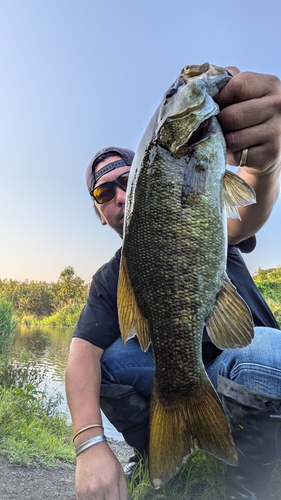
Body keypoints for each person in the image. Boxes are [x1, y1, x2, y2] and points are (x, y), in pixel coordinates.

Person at [65, 66, 281, 500]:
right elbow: (80, 351)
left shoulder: (212, 224)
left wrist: (268, 164)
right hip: (179, 376)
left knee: (267, 354)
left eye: (126, 180)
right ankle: (163, 450)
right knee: (103, 361)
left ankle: (249, 480)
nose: (119, 196)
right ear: (99, 212)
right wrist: (89, 443)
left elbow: (250, 212)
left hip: (237, 367)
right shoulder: (111, 276)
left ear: (145, 177)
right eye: (103, 194)